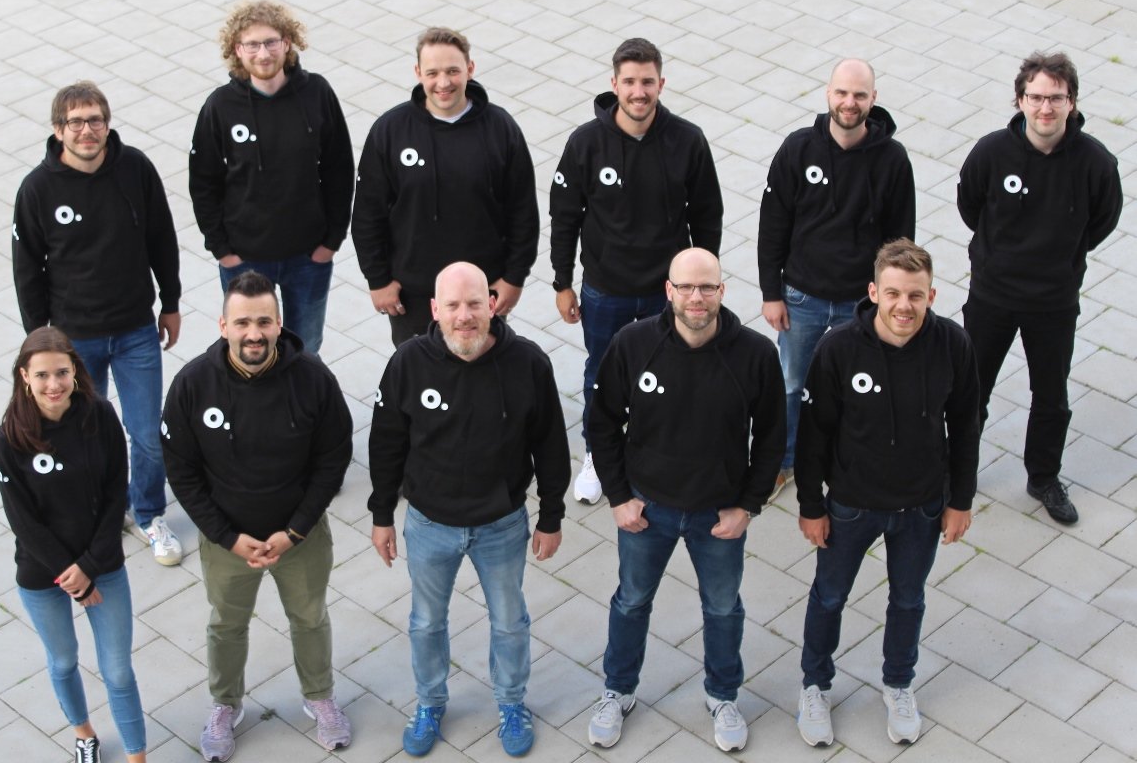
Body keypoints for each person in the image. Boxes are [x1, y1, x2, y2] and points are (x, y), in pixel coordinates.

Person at [585, 249, 785, 752]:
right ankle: (618, 690)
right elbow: (602, 421)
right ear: (669, 291)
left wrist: (748, 506)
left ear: (722, 291)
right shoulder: (634, 344)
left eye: (707, 287)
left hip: (718, 516)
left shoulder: (755, 354)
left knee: (722, 609)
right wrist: (619, 497)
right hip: (646, 511)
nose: (697, 297)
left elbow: (772, 438)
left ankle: (723, 696)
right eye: (687, 287)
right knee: (631, 602)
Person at [368, 262, 570, 757]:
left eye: (475, 304)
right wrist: (381, 515)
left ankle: (512, 703)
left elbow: (550, 444)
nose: (464, 316)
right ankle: (430, 703)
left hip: (501, 524)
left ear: (492, 305)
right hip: (429, 525)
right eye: (453, 306)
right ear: (434, 310)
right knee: (426, 623)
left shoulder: (528, 363)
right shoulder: (408, 363)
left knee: (510, 621)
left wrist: (551, 516)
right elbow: (386, 443)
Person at [793, 240, 979, 748]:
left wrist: (960, 500)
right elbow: (813, 435)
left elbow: (966, 427)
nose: (904, 306)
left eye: (915, 295)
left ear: (931, 296)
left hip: (922, 507)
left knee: (909, 599)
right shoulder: (838, 348)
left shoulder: (953, 345)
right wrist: (811, 506)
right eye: (893, 293)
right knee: (829, 596)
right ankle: (815, 685)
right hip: (850, 506)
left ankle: (898, 684)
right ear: (874, 292)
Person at [160, 272, 352, 760]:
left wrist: (295, 531)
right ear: (223, 325)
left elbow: (333, 459)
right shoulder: (192, 385)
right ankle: (225, 705)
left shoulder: (314, 379)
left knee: (310, 618)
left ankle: (319, 697)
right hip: (228, 540)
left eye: (264, 322)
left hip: (300, 537)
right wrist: (225, 536)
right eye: (243, 322)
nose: (254, 333)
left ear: (279, 324)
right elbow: (181, 470)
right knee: (226, 624)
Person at [12, 81, 184, 567]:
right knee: (84, 434)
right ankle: (99, 515)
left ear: (107, 124)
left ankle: (149, 513)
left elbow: (162, 237)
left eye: (95, 120)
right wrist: (39, 343)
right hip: (74, 340)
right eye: (76, 122)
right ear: (58, 130)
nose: (86, 130)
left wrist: (170, 302)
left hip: (135, 331)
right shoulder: (38, 189)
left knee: (147, 434)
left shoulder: (136, 169)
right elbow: (28, 269)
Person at [550, 38, 723, 506]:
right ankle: (596, 455)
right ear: (614, 84)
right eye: (629, 81)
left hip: (669, 292)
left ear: (661, 83)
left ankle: (665, 452)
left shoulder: (687, 140)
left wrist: (701, 286)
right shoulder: (585, 143)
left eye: (647, 81)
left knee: (674, 371)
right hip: (605, 291)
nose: (638, 91)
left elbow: (707, 215)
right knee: (601, 374)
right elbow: (564, 217)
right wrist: (563, 282)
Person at [957, 51, 1122, 525]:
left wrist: (1061, 261)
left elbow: (1102, 220)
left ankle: (1044, 477)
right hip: (992, 297)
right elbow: (970, 205)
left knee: (1051, 396)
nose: (1045, 107)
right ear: (1020, 100)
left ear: (1072, 102)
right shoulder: (991, 153)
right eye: (1036, 97)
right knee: (971, 391)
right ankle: (956, 474)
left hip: (1053, 302)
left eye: (1056, 98)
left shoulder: (1095, 163)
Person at [758, 58, 915, 502]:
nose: (850, 102)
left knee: (858, 387)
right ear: (828, 94)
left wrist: (888, 302)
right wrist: (771, 293)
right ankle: (784, 461)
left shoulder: (892, 160)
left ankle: (849, 463)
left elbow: (901, 241)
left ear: (873, 99)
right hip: (801, 297)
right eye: (842, 93)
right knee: (791, 385)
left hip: (859, 303)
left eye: (859, 95)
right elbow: (773, 225)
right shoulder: (798, 149)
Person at [0, 327, 149, 763]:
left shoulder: (99, 416)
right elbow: (24, 522)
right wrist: (72, 577)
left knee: (118, 671)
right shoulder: (9, 438)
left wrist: (90, 567)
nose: (53, 384)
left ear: (75, 371)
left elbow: (116, 492)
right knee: (63, 661)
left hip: (102, 564)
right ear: (25, 376)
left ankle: (137, 757)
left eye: (61, 372)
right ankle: (84, 734)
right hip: (43, 572)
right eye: (42, 375)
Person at [353, 27, 539, 346]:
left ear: (470, 68)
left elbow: (523, 211)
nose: (443, 83)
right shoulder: (390, 130)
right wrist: (378, 280)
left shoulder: (501, 128)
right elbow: (368, 214)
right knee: (418, 371)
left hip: (482, 292)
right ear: (418, 73)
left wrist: (514, 277)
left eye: (453, 71)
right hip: (413, 294)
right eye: (433, 73)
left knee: (482, 368)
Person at [190, 0, 353, 355]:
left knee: (305, 348)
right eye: (252, 44)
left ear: (287, 43)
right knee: (249, 348)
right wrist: (222, 249)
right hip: (245, 257)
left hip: (308, 256)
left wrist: (331, 241)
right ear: (237, 49)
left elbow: (339, 169)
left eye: (270, 42)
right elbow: (203, 182)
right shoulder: (221, 106)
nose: (263, 54)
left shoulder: (317, 93)